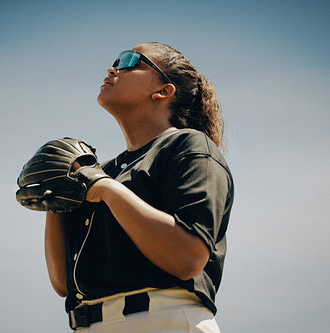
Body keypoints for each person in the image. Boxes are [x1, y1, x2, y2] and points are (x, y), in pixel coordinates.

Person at [44, 42, 234, 332]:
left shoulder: (189, 146)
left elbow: (188, 257)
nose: (113, 68)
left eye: (130, 60)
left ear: (163, 91)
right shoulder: (104, 171)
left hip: (164, 320)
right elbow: (62, 283)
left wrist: (108, 190)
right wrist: (55, 199)